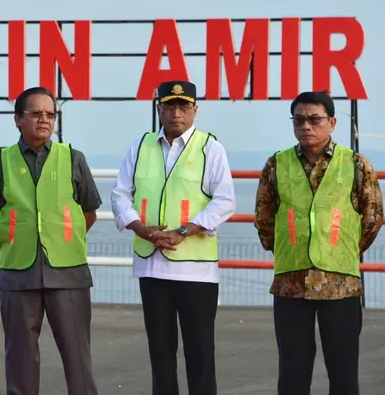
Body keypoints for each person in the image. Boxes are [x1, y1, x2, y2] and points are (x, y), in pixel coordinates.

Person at [110, 80, 236, 395]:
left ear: (195, 110)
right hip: (151, 267)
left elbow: (225, 201)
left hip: (196, 268)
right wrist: (140, 227)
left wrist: (184, 230)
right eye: (169, 105)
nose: (176, 113)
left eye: (183, 106)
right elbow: (119, 195)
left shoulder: (210, 148)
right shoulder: (140, 146)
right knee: (160, 354)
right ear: (159, 109)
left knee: (200, 354)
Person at [253, 90, 383, 395]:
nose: (306, 126)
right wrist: (286, 247)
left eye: (314, 119)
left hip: (340, 283)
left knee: (343, 372)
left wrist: (345, 248)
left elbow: (373, 216)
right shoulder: (277, 164)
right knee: (292, 372)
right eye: (299, 120)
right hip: (291, 281)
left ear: (332, 122)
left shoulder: (355, 164)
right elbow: (264, 216)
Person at [0, 86, 102, 395]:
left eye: (50, 114)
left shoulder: (73, 159)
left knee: (78, 360)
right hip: (19, 274)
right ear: (18, 119)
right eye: (36, 114)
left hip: (68, 273)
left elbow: (88, 213)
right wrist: (17, 240)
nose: (44, 120)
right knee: (19, 360)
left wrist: (61, 239)